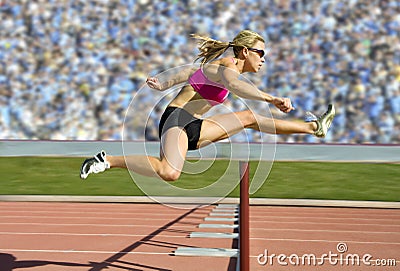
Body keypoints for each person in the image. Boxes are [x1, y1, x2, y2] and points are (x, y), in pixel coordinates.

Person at [80, 30, 335, 181]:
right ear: (244, 51)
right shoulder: (227, 66)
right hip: (176, 120)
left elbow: (189, 72)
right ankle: (107, 160)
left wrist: (163, 81)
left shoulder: (218, 67)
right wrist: (271, 98)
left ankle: (314, 127)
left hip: (196, 126)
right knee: (169, 172)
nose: (264, 59)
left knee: (248, 117)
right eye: (261, 53)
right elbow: (234, 85)